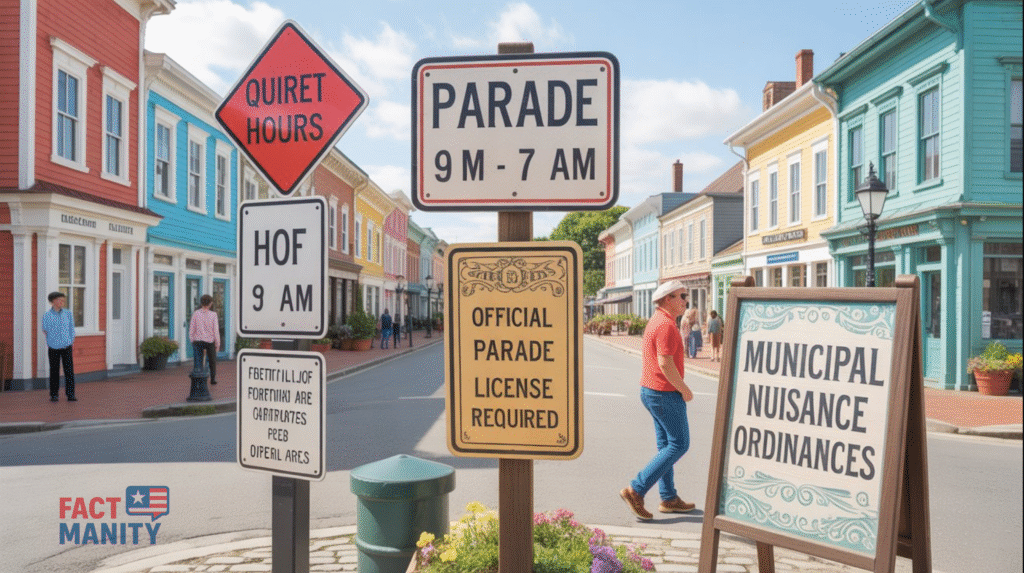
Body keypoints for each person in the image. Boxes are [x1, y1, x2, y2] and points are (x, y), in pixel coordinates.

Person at [620, 280, 695, 520]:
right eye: (682, 296)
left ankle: (669, 497)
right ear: (667, 299)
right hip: (664, 392)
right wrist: (684, 389)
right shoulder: (666, 325)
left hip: (651, 390)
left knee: (666, 446)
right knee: (679, 444)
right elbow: (665, 363)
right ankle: (636, 489)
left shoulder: (657, 321)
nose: (686, 301)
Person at [42, 291, 76, 402]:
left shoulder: (68, 313)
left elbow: (71, 329)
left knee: (69, 371)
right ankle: (54, 395)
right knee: (54, 371)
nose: (62, 301)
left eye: (62, 299)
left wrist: (70, 341)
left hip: (67, 346)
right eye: (59, 300)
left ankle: (71, 394)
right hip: (53, 347)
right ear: (52, 302)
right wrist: (52, 341)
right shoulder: (47, 316)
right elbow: (45, 330)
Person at [189, 294, 220, 385]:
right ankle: (212, 379)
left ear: (201, 303)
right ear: (210, 303)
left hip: (198, 341)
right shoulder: (213, 315)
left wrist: (192, 339)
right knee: (212, 361)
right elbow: (216, 330)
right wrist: (217, 343)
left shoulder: (196, 313)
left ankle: (197, 378)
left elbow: (192, 328)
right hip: (210, 341)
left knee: (198, 360)